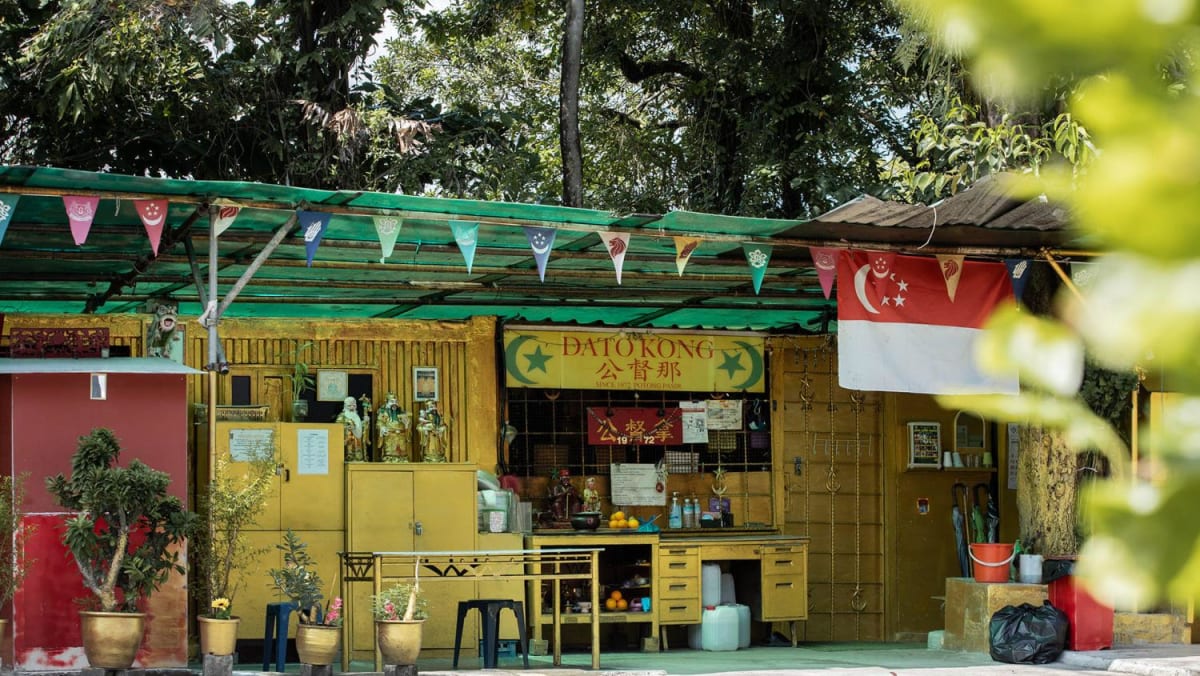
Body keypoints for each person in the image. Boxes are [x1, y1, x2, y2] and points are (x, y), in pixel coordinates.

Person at [377, 392, 411, 462]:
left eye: (395, 401)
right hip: (390, 436)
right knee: (390, 453)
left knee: (402, 453)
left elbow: (408, 423)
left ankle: (402, 458)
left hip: (401, 436)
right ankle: (388, 458)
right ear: (387, 402)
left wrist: (407, 424)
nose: (394, 403)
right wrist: (382, 428)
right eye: (392, 401)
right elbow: (379, 423)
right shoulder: (383, 413)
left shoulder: (401, 412)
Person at [335, 396, 365, 461]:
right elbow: (337, 427)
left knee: (357, 454)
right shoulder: (342, 416)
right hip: (347, 439)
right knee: (349, 453)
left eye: (354, 405)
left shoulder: (356, 416)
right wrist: (346, 427)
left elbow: (360, 427)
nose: (352, 407)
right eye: (349, 406)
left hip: (357, 439)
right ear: (345, 406)